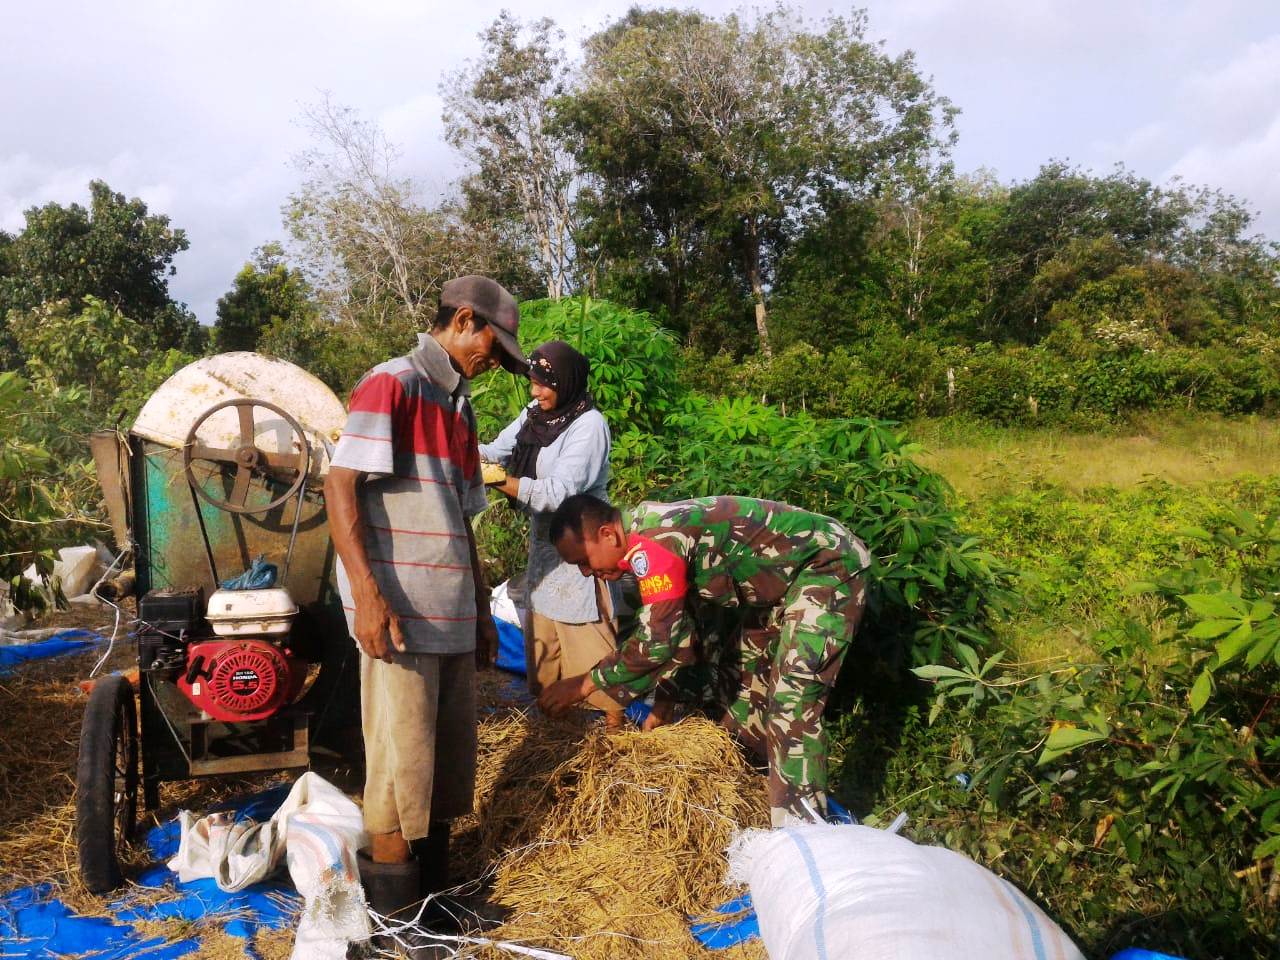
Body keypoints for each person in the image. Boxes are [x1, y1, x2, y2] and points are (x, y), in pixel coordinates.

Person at [324, 275, 527, 934]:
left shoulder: (457, 407)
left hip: (447, 612)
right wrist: (367, 596)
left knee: (443, 768)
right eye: (492, 347)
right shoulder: (394, 383)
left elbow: (462, 517)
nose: (493, 362)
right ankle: (399, 922)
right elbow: (340, 485)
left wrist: (477, 612)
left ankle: (434, 904)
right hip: (400, 615)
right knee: (399, 770)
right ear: (463, 320)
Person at [538, 494, 871, 827]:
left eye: (583, 560)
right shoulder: (643, 539)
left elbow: (658, 638)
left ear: (608, 535)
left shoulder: (656, 545)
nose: (585, 572)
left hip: (825, 567)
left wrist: (584, 684)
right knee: (737, 683)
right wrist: (667, 698)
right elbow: (687, 627)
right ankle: (750, 796)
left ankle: (803, 836)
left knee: (792, 702)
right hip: (776, 589)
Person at [479, 341, 626, 729]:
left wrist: (498, 480)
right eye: (532, 382)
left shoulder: (589, 426)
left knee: (594, 662)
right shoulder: (535, 415)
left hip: (581, 555)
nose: (535, 392)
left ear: (567, 381)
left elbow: (558, 494)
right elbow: (495, 451)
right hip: (545, 558)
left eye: (544, 384)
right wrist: (453, 450)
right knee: (546, 666)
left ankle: (614, 749)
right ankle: (555, 748)